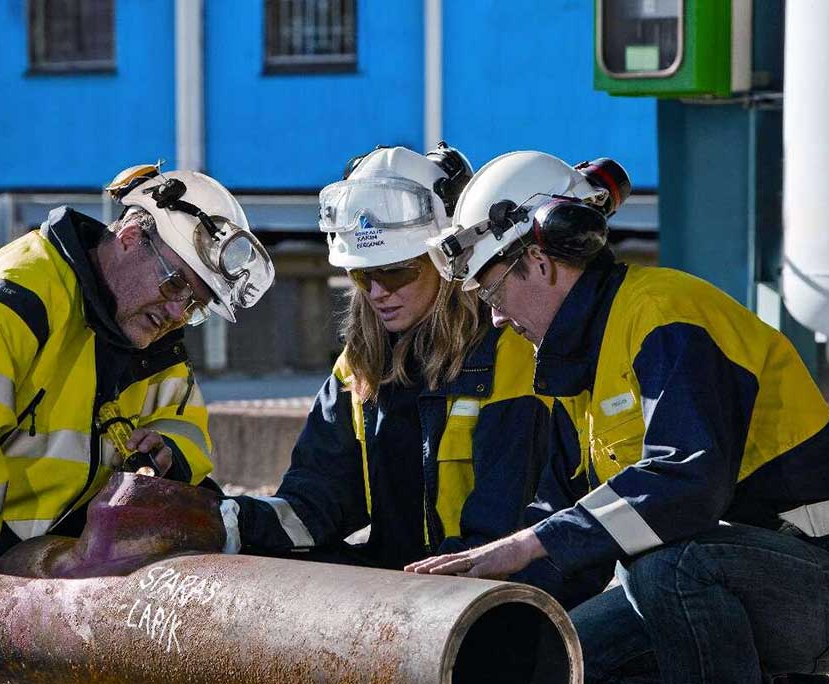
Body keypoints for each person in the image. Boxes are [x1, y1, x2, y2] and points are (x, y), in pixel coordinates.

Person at [407, 149, 829, 684]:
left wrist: (524, 545)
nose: (495, 317)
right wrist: (488, 623)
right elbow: (562, 527)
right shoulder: (576, 362)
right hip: (738, 585)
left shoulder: (664, 314)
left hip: (815, 580)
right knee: (551, 676)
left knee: (669, 567)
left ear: (540, 263)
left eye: (493, 290)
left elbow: (686, 485)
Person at [0, 163, 274, 684]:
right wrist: (1, 580)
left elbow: (183, 419)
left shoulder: (144, 332)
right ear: (131, 235)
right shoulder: (18, 298)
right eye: (175, 284)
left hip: (11, 550)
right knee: (29, 657)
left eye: (195, 303)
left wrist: (173, 450)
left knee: (97, 653)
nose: (177, 311)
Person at [220, 145, 595, 601]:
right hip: (407, 590)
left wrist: (408, 600)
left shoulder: (510, 352)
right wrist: (230, 521)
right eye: (362, 276)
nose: (378, 292)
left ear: (446, 262)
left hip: (491, 596)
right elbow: (314, 502)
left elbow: (504, 526)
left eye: (396, 272)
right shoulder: (359, 367)